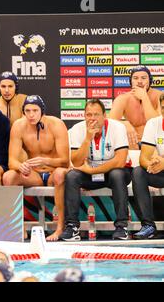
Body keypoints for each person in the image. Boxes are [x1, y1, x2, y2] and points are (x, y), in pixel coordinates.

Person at [60, 99, 131, 241]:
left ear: (105, 115)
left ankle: (122, 227)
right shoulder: (76, 130)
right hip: (89, 174)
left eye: (96, 114)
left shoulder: (117, 127)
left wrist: (92, 170)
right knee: (72, 176)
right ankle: (73, 227)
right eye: (89, 115)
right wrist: (87, 139)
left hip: (113, 173)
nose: (92, 119)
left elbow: (120, 160)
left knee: (117, 174)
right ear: (84, 115)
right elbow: (76, 162)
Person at [3, 95, 69, 241]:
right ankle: (19, 227)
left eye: (35, 110)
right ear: (23, 112)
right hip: (35, 175)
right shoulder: (19, 126)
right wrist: (20, 166)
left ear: (42, 111)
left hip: (53, 172)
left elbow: (65, 162)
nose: (31, 115)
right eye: (27, 111)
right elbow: (11, 161)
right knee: (8, 177)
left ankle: (60, 228)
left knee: (60, 174)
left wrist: (46, 160)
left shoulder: (57, 124)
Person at [130, 94, 164, 239]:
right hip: (161, 172)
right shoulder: (154, 123)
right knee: (139, 172)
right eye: (163, 108)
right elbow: (143, 157)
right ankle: (148, 225)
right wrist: (151, 164)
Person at [109, 65, 161, 149]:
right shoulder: (123, 99)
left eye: (144, 78)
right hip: (132, 145)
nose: (139, 81)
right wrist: (124, 124)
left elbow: (157, 124)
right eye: (135, 78)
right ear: (131, 81)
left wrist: (144, 97)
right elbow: (110, 122)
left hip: (156, 144)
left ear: (150, 80)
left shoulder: (160, 96)